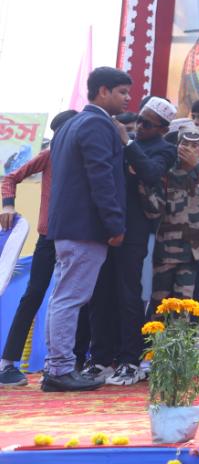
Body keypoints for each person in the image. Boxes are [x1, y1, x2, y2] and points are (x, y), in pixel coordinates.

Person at [41, 67, 131, 392]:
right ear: (102, 91)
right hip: (85, 228)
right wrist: (114, 223)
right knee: (69, 299)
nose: (127, 99)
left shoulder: (70, 124)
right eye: (122, 92)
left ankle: (56, 367)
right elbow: (101, 177)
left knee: (62, 298)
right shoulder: (97, 124)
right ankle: (60, 369)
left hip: (68, 226)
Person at [87, 96, 177, 386]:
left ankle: (130, 361)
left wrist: (127, 143)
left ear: (163, 129)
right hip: (106, 228)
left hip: (134, 231)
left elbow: (151, 173)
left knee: (128, 294)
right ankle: (100, 359)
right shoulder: (125, 145)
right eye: (139, 120)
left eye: (147, 124)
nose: (139, 126)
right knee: (101, 294)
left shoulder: (164, 149)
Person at [0, 109, 78, 387]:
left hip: (80, 238)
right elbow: (10, 177)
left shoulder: (90, 157)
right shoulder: (50, 155)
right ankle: (7, 363)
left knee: (74, 299)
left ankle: (72, 363)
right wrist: (8, 206)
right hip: (50, 236)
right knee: (34, 295)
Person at [142, 123, 199, 306]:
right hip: (168, 248)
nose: (188, 148)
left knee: (187, 304)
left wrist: (196, 166)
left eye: (194, 145)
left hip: (197, 250)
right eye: (184, 144)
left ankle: (184, 327)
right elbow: (153, 210)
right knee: (160, 303)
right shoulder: (166, 172)